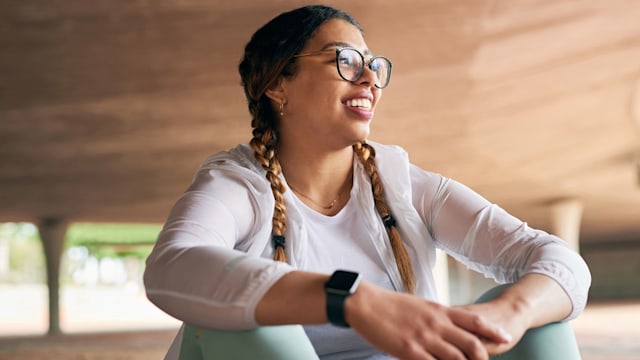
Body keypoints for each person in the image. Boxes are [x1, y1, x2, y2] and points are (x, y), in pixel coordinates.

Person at [144, 5, 591, 360]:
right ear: (279, 85)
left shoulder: (407, 186)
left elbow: (559, 262)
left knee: (540, 315)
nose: (370, 78)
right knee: (245, 323)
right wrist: (352, 299)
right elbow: (172, 266)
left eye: (374, 65)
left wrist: (507, 315)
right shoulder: (238, 185)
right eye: (345, 60)